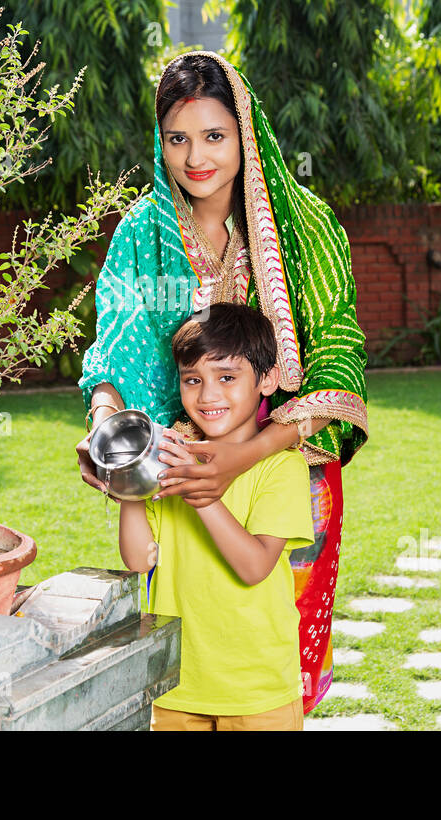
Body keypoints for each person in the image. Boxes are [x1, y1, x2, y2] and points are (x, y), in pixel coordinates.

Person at [76, 50, 369, 713]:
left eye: (214, 135)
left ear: (246, 134)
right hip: (175, 472)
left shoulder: (307, 229)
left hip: (289, 468)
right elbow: (115, 347)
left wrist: (249, 453)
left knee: (275, 666)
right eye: (177, 138)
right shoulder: (141, 232)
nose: (195, 156)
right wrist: (105, 427)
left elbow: (338, 362)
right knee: (190, 649)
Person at [116, 302, 313, 730]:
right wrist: (130, 484)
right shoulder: (172, 458)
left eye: (227, 378)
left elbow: (254, 566)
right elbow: (138, 562)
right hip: (175, 682)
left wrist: (203, 497)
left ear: (267, 380)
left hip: (258, 689)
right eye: (192, 380)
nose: (207, 396)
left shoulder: (281, 466)